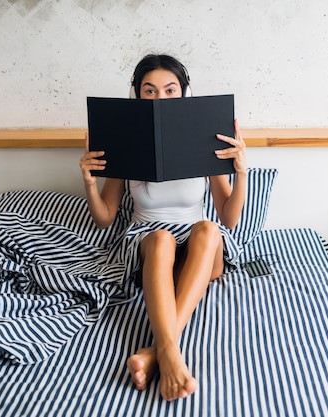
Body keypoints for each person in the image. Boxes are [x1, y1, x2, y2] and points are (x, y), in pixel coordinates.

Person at [79, 54, 247, 401]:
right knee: (160, 238)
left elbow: (227, 219)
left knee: (209, 229)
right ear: (138, 96)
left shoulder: (203, 138)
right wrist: (88, 183)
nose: (160, 98)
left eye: (170, 90)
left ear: (183, 93)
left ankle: (158, 351)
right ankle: (167, 352)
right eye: (150, 90)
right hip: (150, 247)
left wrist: (241, 172)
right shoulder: (125, 142)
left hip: (201, 252)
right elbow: (105, 218)